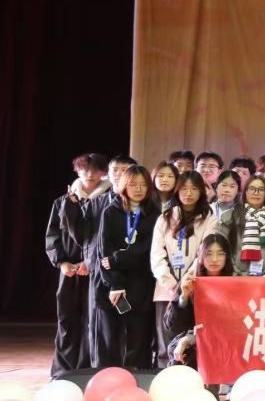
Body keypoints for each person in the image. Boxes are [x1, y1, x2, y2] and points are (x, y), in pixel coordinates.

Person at [92, 165, 160, 368]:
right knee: (109, 340)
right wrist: (115, 283)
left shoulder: (154, 214)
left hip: (141, 283)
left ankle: (138, 378)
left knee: (138, 340)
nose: (138, 189)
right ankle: (107, 378)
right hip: (112, 285)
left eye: (143, 185)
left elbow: (147, 250)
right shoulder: (110, 211)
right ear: (123, 185)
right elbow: (103, 252)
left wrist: (118, 258)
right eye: (133, 184)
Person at [46, 152, 108, 378]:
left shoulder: (110, 201)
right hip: (70, 270)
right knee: (67, 320)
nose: (89, 174)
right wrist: (62, 262)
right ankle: (62, 373)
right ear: (77, 171)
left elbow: (109, 237)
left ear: (103, 173)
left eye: (95, 169)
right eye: (85, 169)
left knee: (93, 323)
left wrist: (91, 262)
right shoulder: (63, 201)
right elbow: (52, 236)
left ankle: (86, 373)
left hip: (97, 271)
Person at [150, 171, 216, 367]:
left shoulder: (209, 219)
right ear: (177, 191)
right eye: (184, 188)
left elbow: (205, 253)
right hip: (166, 289)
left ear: (201, 192)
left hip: (196, 288)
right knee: (165, 344)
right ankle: (165, 377)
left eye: (194, 189)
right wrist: (171, 283)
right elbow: (156, 254)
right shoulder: (164, 219)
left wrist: (186, 282)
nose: (188, 193)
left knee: (192, 342)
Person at [165, 233, 234, 370]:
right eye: (209, 254)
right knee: (182, 353)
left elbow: (232, 326)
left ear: (227, 257)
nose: (214, 259)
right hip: (194, 342)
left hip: (223, 342)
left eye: (220, 254)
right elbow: (172, 326)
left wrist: (191, 339)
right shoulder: (191, 281)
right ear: (200, 256)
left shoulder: (234, 285)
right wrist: (184, 296)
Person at [219, 174, 265, 275]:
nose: (256, 193)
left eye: (261, 189)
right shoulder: (230, 216)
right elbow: (222, 247)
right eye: (252, 189)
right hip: (235, 275)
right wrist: (235, 272)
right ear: (246, 191)